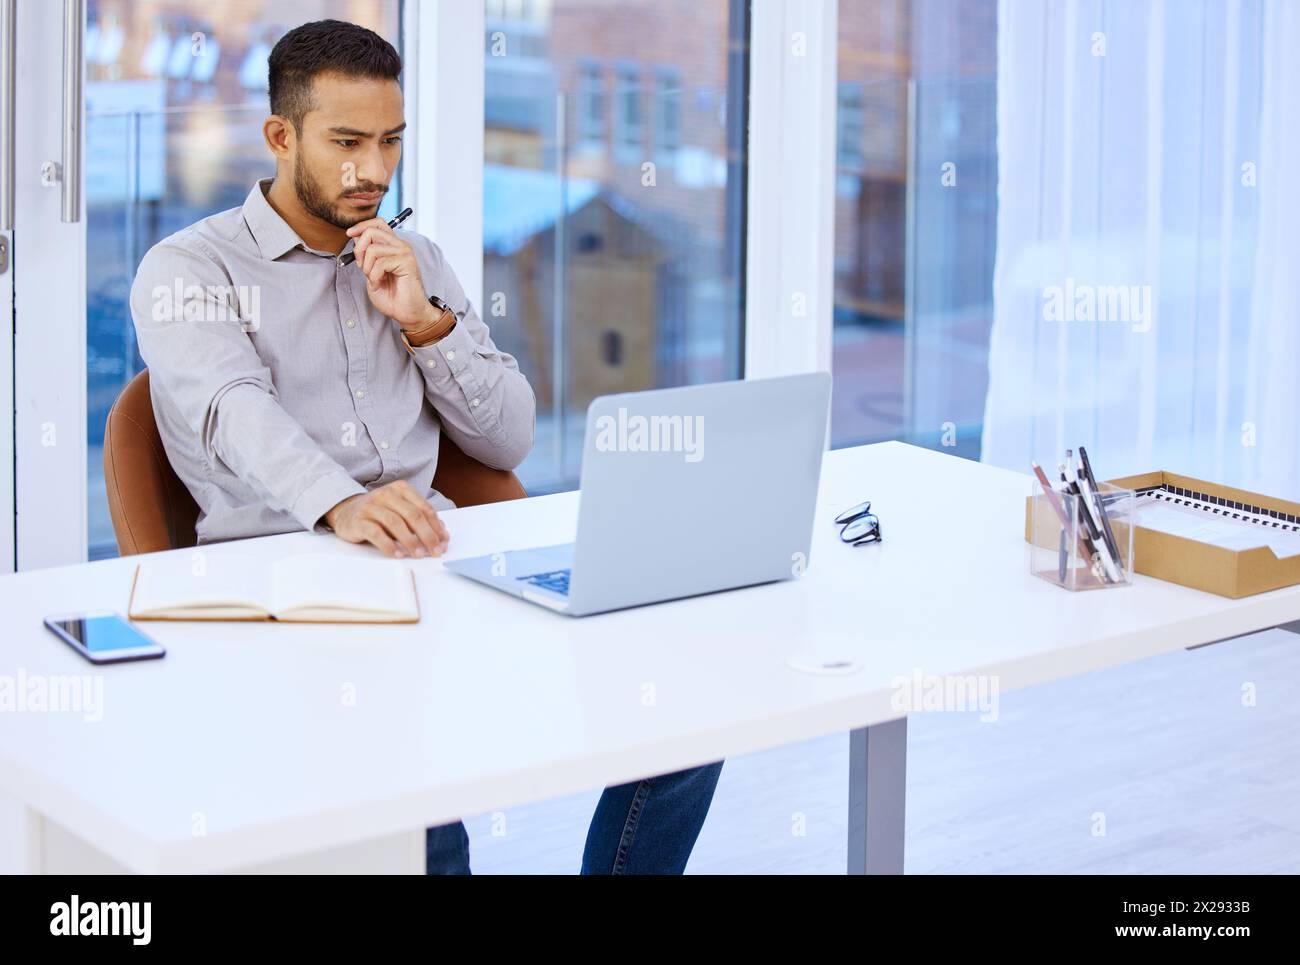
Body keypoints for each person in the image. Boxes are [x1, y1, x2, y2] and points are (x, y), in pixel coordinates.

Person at [129, 18, 722, 875]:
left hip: (443, 577)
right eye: (346, 142)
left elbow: (508, 434)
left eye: (390, 142)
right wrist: (343, 500)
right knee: (423, 824)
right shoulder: (189, 271)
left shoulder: (418, 259)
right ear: (279, 136)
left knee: (685, 712)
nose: (374, 170)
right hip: (292, 600)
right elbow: (231, 406)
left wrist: (425, 322)